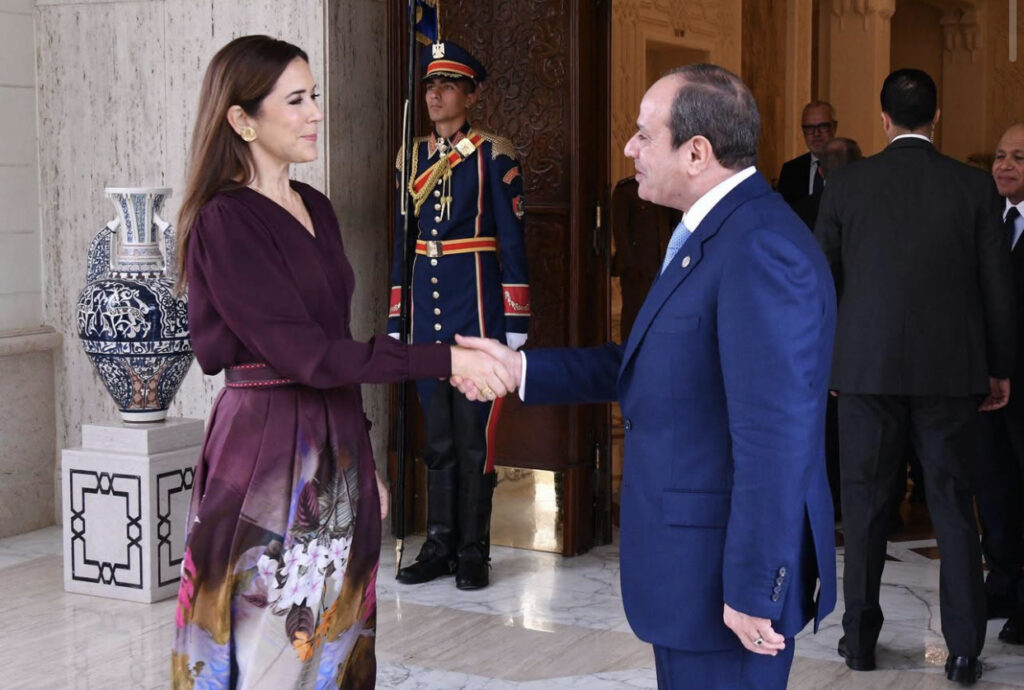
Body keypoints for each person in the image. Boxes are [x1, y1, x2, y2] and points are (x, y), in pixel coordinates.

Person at [455, 64, 838, 690]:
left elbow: (776, 438)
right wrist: (518, 367)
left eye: (643, 134)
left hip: (726, 590)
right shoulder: (711, 232)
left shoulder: (760, 248)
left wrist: (753, 589)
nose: (630, 148)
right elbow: (651, 362)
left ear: (696, 152)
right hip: (688, 576)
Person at [169, 35, 512, 689]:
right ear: (242, 119)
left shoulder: (316, 208)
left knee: (336, 639)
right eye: (296, 100)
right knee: (272, 645)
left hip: (332, 436)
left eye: (315, 96)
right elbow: (308, 356)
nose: (316, 113)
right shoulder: (224, 221)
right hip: (266, 446)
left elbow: (335, 345)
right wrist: (443, 358)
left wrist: (362, 457)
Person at [815, 69, 1015, 686]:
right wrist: (1000, 368)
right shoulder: (974, 187)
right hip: (950, 373)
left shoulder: (846, 184)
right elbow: (997, 287)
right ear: (937, 117)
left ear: (883, 120)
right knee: (953, 507)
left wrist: (830, 362)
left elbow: (821, 282)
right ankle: (964, 649)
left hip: (865, 370)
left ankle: (859, 641)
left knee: (865, 507)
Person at [389, 40, 530, 591]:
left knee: (475, 436)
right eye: (430, 85)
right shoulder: (411, 157)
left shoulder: (494, 153)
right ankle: (440, 544)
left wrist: (515, 317)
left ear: (470, 95)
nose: (435, 95)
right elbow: (402, 242)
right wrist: (399, 315)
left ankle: (474, 550)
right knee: (439, 436)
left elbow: (512, 240)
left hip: (476, 310)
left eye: (447, 86)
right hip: (426, 314)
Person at [973, 122, 1024, 643]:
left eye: (1019, 158)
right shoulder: (987, 218)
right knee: (994, 489)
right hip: (987, 387)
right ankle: (1004, 583)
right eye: (1000, 155)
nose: (1005, 166)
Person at [610, 176, 680, 340]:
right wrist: (629, 264)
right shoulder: (627, 190)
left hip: (661, 265)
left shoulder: (663, 188)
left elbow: (675, 221)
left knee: (659, 314)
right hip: (637, 269)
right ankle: (627, 351)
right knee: (634, 315)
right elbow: (620, 231)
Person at [776, 100, 838, 206]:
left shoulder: (852, 166)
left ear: (834, 127)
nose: (816, 134)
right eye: (809, 128)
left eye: (822, 127)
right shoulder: (790, 171)